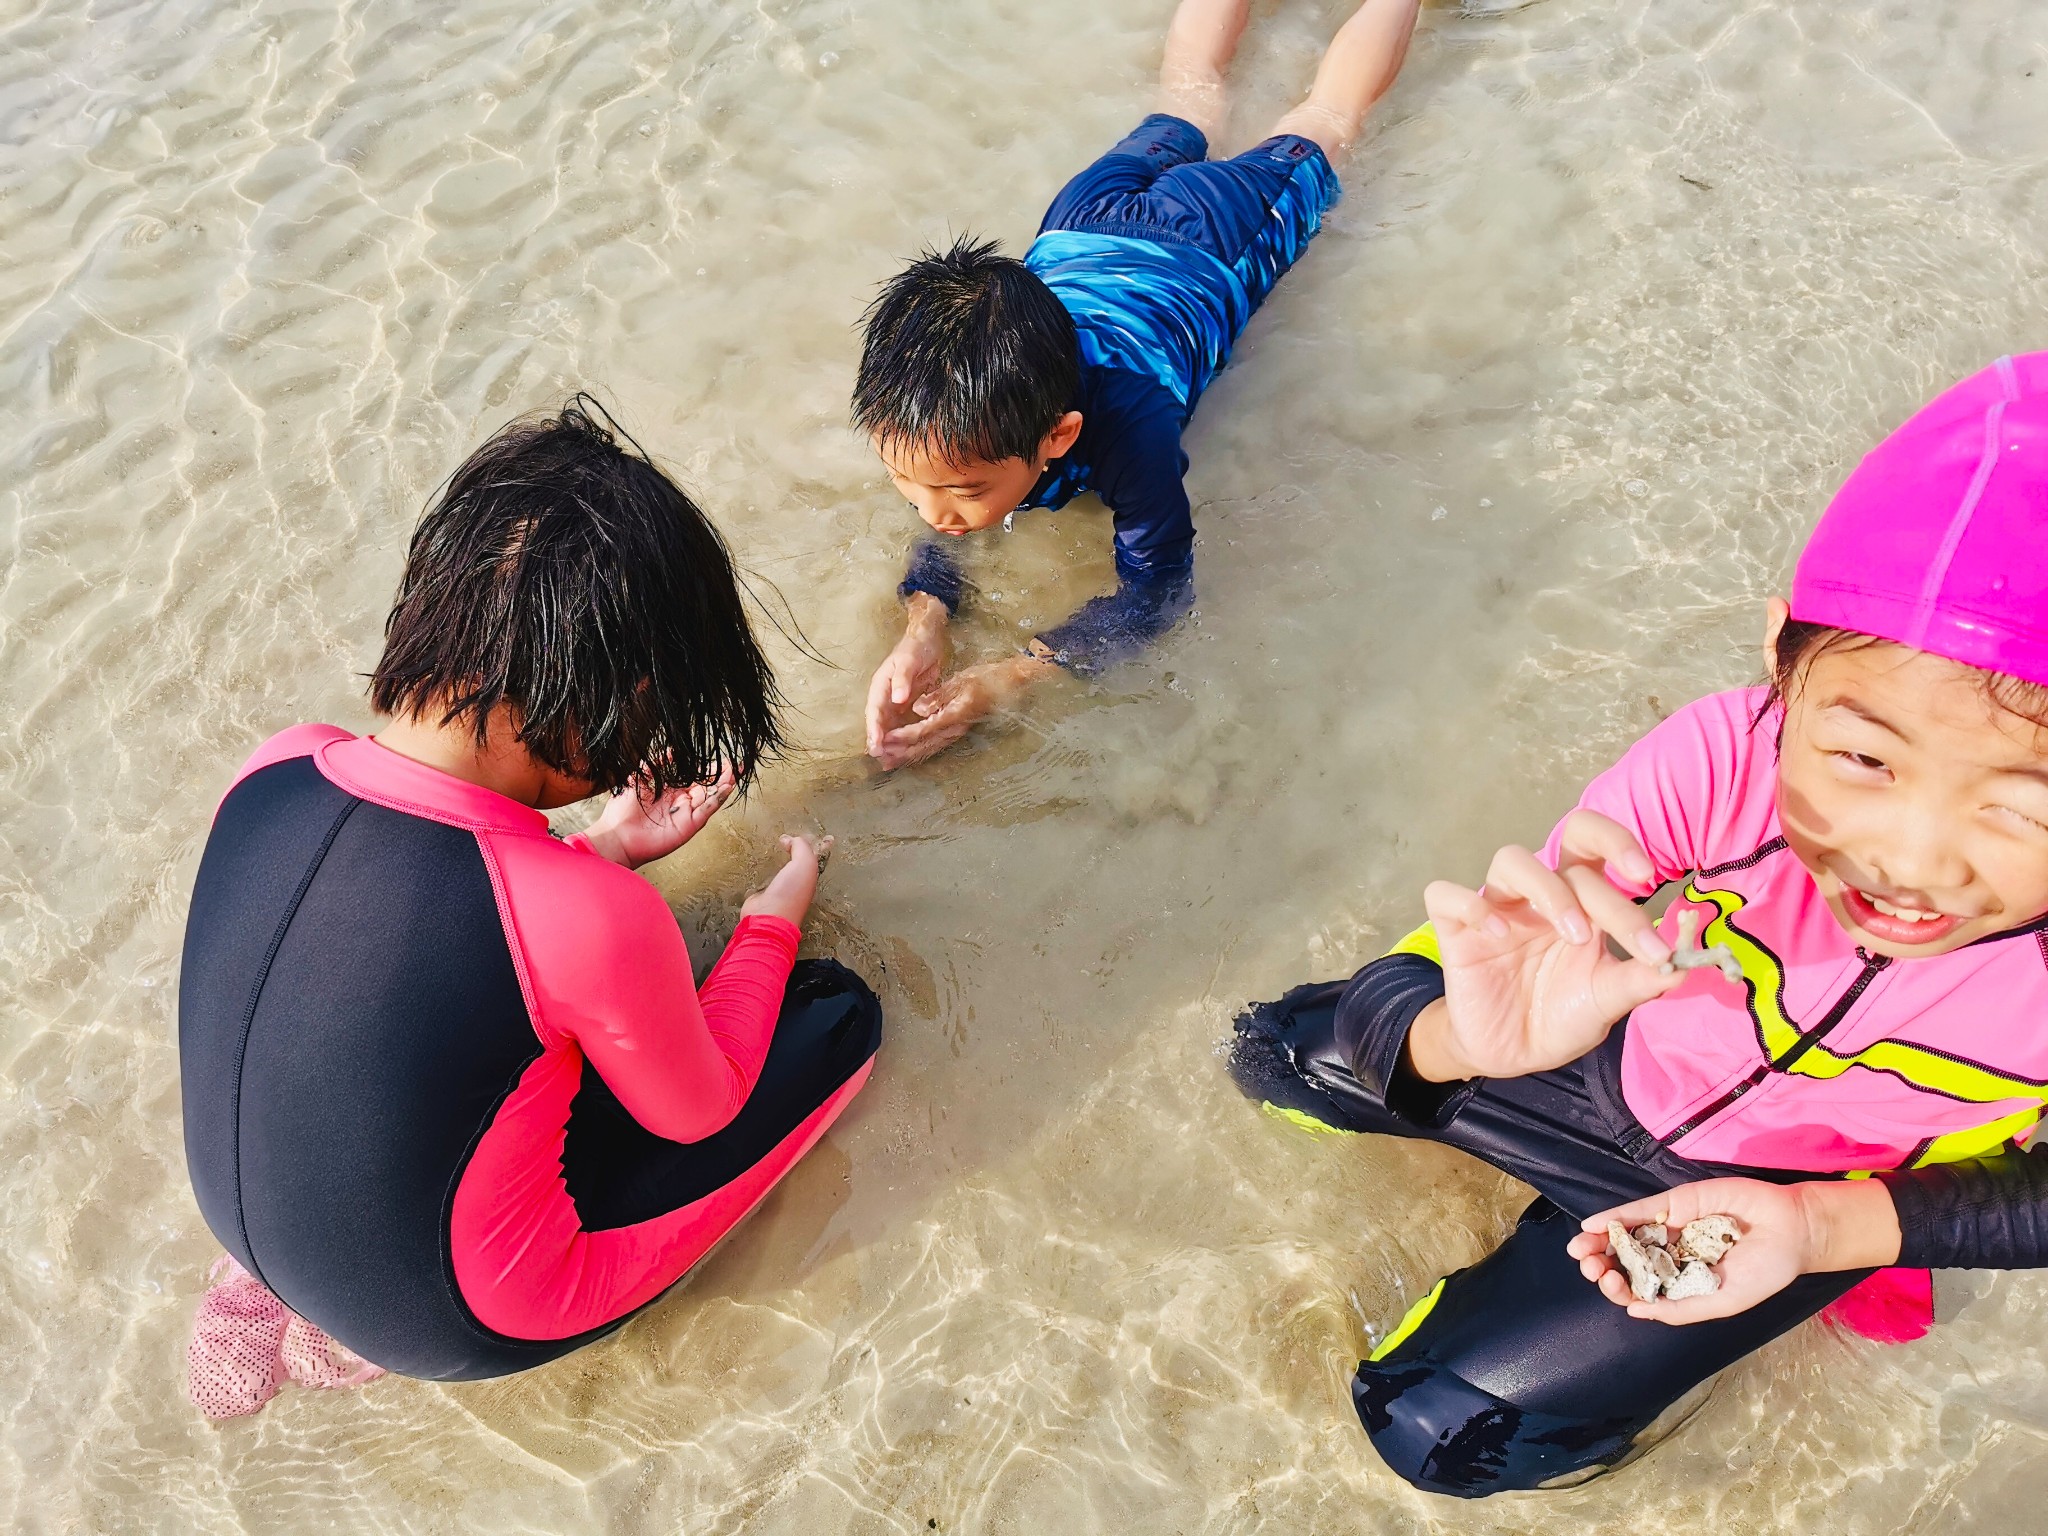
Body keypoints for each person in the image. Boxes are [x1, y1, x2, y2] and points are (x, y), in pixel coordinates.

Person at [1229, 354, 2048, 1496]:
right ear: (1780, 661)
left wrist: (1822, 1233)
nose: (1908, 860)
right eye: (1861, 757)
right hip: (1601, 1069)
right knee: (1265, 1054)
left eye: (2022, 806)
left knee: (1438, 1435)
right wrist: (1472, 1044)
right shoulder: (1724, 754)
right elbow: (1526, 946)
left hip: (1777, 1196)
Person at [178, 402, 883, 1400]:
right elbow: (702, 1107)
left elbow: (385, 961)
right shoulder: (589, 917)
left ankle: (265, 1295)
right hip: (448, 1313)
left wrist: (598, 848)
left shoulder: (274, 767)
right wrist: (771, 921)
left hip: (243, 1211)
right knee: (838, 1017)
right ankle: (361, 1339)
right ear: (610, 693)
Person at [855, 0, 1422, 768]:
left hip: (1212, 235)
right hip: (1082, 221)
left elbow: (1159, 591)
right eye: (905, 482)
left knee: (1326, 116)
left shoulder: (1132, 427)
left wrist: (1019, 674)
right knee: (1187, 93)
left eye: (961, 491)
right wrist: (926, 622)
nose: (937, 514)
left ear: (1060, 437)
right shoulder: (964, 429)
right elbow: (947, 493)